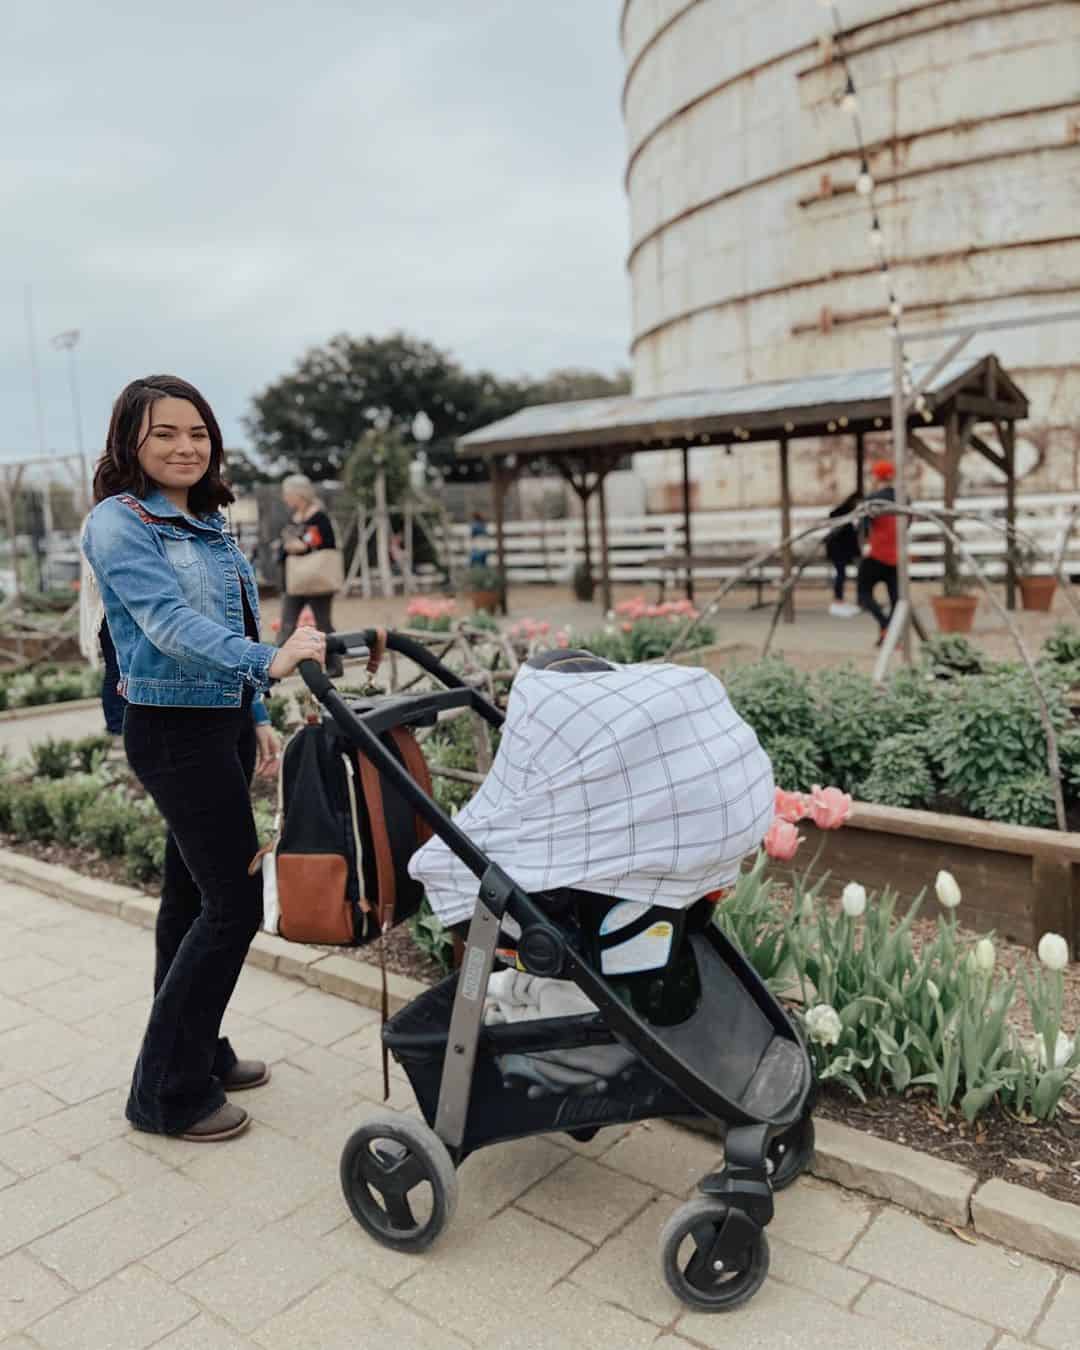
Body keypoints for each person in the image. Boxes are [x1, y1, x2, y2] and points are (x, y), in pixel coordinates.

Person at [82, 375, 326, 1143]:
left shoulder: (211, 521)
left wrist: (253, 714)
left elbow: (234, 612)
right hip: (171, 731)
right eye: (165, 434)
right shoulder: (120, 523)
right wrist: (268, 661)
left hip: (217, 723)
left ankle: (199, 1052)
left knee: (189, 901)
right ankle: (166, 1094)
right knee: (234, 904)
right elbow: (166, 623)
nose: (186, 447)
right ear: (131, 441)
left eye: (198, 433)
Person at [277, 474, 342, 677]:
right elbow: (283, 549)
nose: (285, 498)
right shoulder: (293, 518)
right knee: (286, 623)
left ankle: (334, 666)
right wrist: (287, 548)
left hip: (317, 579)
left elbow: (328, 545)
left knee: (323, 624)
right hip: (295, 580)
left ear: (299, 494)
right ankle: (276, 668)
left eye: (287, 494)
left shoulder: (319, 517)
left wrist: (304, 547)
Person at [78, 537, 126, 735]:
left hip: (114, 609)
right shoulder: (97, 521)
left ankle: (118, 725)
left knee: (120, 669)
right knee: (115, 669)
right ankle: (115, 727)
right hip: (107, 612)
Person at [857, 460, 900, 646]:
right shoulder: (904, 498)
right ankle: (889, 632)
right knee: (897, 601)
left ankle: (884, 625)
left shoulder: (873, 500)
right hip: (896, 557)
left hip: (876, 555)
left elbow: (863, 527)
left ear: (877, 476)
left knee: (863, 594)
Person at [824, 491, 861, 618]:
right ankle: (838, 600)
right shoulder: (842, 514)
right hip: (839, 550)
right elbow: (844, 534)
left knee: (846, 574)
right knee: (841, 574)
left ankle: (857, 599)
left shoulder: (849, 513)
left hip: (844, 550)